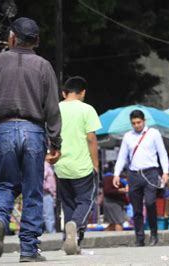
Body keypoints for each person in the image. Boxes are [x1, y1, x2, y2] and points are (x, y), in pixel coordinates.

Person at [0, 17, 61, 262]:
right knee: (33, 191)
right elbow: (52, 107)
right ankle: (29, 249)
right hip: (33, 131)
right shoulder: (43, 66)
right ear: (37, 41)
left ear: (12, 37)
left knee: (5, 185)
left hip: (4, 129)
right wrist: (56, 142)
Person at [54, 76, 101, 255]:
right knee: (86, 201)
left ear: (64, 92)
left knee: (68, 204)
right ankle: (74, 225)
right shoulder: (87, 109)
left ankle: (72, 240)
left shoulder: (55, 109)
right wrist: (95, 164)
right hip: (82, 166)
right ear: (83, 92)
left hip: (61, 165)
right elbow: (91, 138)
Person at [113, 110, 169, 247]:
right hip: (133, 174)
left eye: (139, 122)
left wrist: (166, 172)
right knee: (136, 208)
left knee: (150, 203)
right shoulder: (128, 136)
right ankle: (139, 237)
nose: (136, 125)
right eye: (133, 123)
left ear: (144, 121)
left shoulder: (153, 133)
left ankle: (154, 234)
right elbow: (122, 157)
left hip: (150, 172)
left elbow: (162, 154)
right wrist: (116, 173)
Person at [43, 161, 57, 234]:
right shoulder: (45, 165)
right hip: (46, 193)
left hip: (48, 193)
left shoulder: (48, 165)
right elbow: (43, 176)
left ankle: (50, 231)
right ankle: (51, 233)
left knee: (47, 215)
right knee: (49, 216)